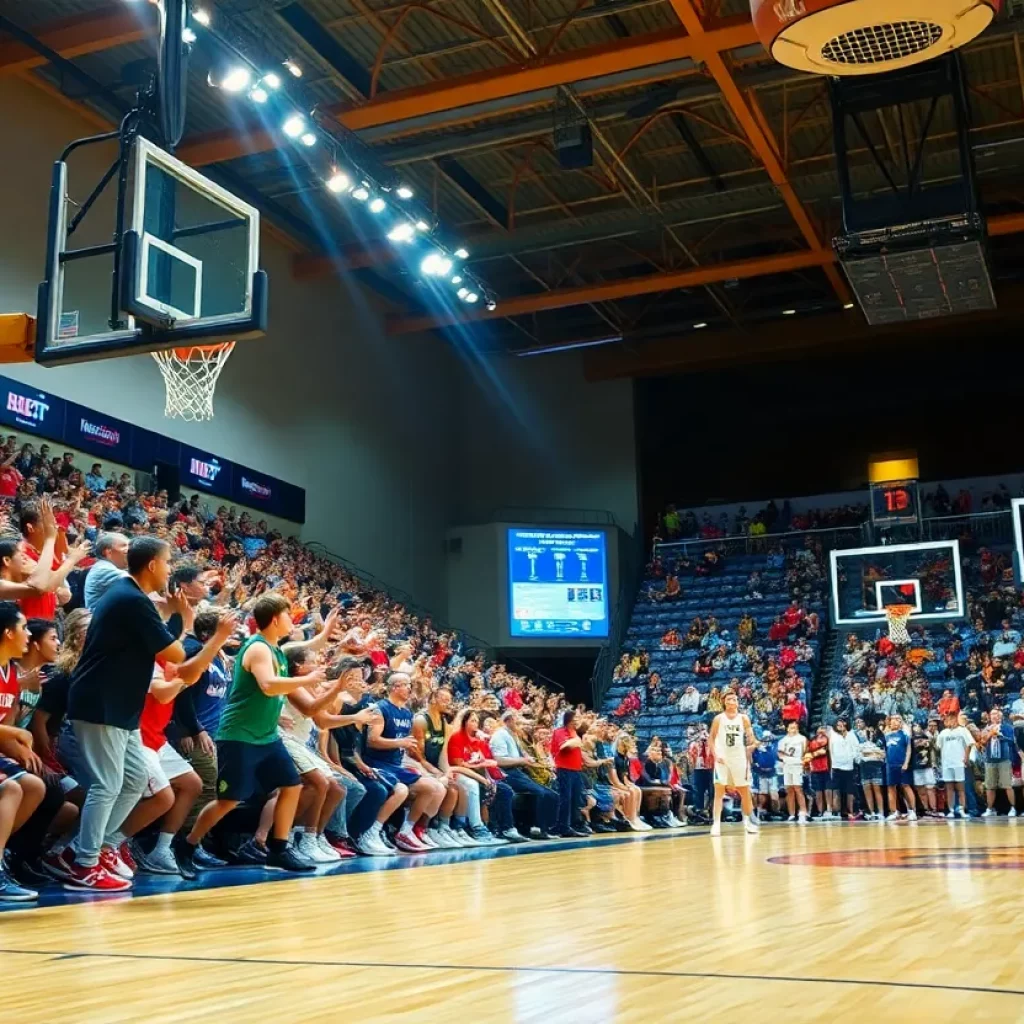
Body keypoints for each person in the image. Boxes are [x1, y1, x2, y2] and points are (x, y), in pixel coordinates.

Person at [56, 536, 189, 891]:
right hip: (101, 703)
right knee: (108, 784)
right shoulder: (130, 598)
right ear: (152, 565)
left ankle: (86, 849)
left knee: (133, 780)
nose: (170, 570)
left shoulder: (132, 598)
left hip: (120, 706)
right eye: (167, 562)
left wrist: (173, 615)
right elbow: (176, 653)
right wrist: (185, 619)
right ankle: (83, 864)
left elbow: (160, 639)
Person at [175, 592, 327, 874]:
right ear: (274, 619)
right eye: (287, 614)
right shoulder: (258, 649)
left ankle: (278, 849)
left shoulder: (276, 650)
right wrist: (305, 679)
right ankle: (187, 845)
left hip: (267, 736)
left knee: (292, 785)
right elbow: (268, 685)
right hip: (239, 736)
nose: (292, 619)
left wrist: (326, 635)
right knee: (228, 801)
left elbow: (302, 649)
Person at [364, 672, 447, 853]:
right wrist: (400, 743)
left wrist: (417, 760)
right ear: (395, 687)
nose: (410, 688)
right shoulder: (381, 709)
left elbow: (405, 744)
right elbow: (372, 741)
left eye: (409, 684)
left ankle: (406, 832)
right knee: (402, 790)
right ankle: (371, 832)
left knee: (432, 787)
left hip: (396, 764)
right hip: (377, 762)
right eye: (406, 684)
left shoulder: (407, 713)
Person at [489, 709, 558, 839]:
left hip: (517, 772)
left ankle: (544, 828)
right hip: (507, 773)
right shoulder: (500, 735)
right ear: (509, 720)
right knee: (541, 793)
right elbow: (499, 760)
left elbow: (521, 757)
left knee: (552, 795)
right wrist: (523, 760)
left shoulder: (513, 735)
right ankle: (536, 828)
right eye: (517, 718)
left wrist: (527, 759)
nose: (520, 722)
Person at [708, 692, 758, 837]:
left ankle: (747, 822)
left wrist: (753, 744)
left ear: (737, 702)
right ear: (724, 702)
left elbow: (751, 739)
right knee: (719, 792)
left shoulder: (744, 718)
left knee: (745, 792)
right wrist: (716, 755)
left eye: (734, 699)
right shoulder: (719, 719)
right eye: (729, 699)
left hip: (739, 759)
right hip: (722, 759)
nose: (732, 701)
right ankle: (716, 824)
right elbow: (711, 740)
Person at [551, 709, 587, 838]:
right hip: (564, 769)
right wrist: (576, 741)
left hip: (576, 770)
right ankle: (562, 826)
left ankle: (572, 825)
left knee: (575, 798)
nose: (579, 720)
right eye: (577, 718)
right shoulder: (560, 731)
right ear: (570, 719)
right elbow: (564, 747)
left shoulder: (575, 733)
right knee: (566, 799)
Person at [936, 712, 974, 819]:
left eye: (952, 719)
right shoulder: (943, 733)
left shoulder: (963, 730)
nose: (950, 721)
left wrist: (966, 757)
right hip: (947, 764)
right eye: (947, 719)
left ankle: (962, 810)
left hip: (959, 763)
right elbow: (938, 747)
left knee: (960, 788)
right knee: (949, 788)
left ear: (956, 719)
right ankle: (951, 810)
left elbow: (969, 744)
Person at [979, 708, 1016, 817]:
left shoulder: (1007, 727)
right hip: (990, 760)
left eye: (996, 714)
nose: (994, 716)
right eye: (992, 714)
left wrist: (1001, 736)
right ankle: (990, 809)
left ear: (1001, 716)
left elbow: (1012, 741)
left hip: (1004, 760)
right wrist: (990, 734)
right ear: (989, 717)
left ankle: (1013, 808)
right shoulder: (986, 729)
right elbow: (982, 742)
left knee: (1007, 785)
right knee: (990, 786)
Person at [83, 532, 129, 609]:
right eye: (124, 546)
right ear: (108, 552)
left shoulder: (104, 566)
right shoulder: (104, 569)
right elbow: (143, 585)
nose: (130, 550)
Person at [884, 715, 916, 822]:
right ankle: (894, 812)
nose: (894, 721)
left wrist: (906, 763)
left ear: (900, 723)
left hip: (901, 764)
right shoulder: (887, 735)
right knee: (891, 788)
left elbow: (909, 750)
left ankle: (912, 811)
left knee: (906, 786)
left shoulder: (905, 734)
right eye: (892, 720)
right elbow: (885, 750)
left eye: (896, 720)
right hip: (890, 765)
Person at [827, 720, 860, 820]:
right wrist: (833, 763)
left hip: (849, 766)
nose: (841, 726)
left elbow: (856, 747)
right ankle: (836, 811)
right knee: (836, 789)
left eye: (843, 724)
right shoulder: (833, 735)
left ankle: (850, 811)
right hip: (836, 766)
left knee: (849, 790)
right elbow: (831, 750)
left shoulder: (851, 735)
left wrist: (853, 757)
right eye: (838, 724)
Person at [777, 721, 808, 823]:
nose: (793, 730)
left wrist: (804, 763)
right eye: (791, 728)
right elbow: (780, 754)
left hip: (798, 766)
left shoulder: (802, 739)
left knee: (798, 789)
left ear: (798, 728)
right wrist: (787, 759)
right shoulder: (783, 740)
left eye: (795, 728)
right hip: (787, 766)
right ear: (787, 729)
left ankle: (803, 813)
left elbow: (805, 753)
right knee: (789, 789)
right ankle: (791, 814)